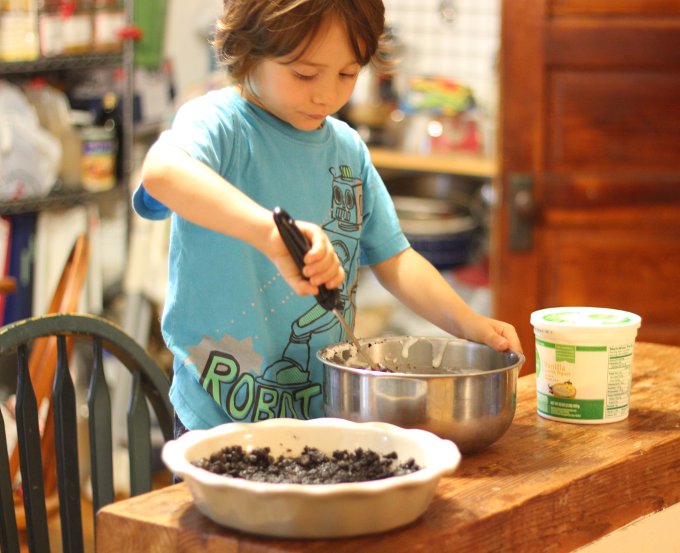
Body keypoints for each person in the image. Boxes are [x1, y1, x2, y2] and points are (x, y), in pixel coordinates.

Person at [135, 0, 522, 437]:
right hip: (218, 412)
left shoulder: (347, 150)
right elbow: (162, 173)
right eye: (303, 73)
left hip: (324, 411)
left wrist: (466, 323)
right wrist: (269, 234)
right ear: (247, 47)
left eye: (347, 74)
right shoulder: (218, 124)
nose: (327, 95)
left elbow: (395, 259)